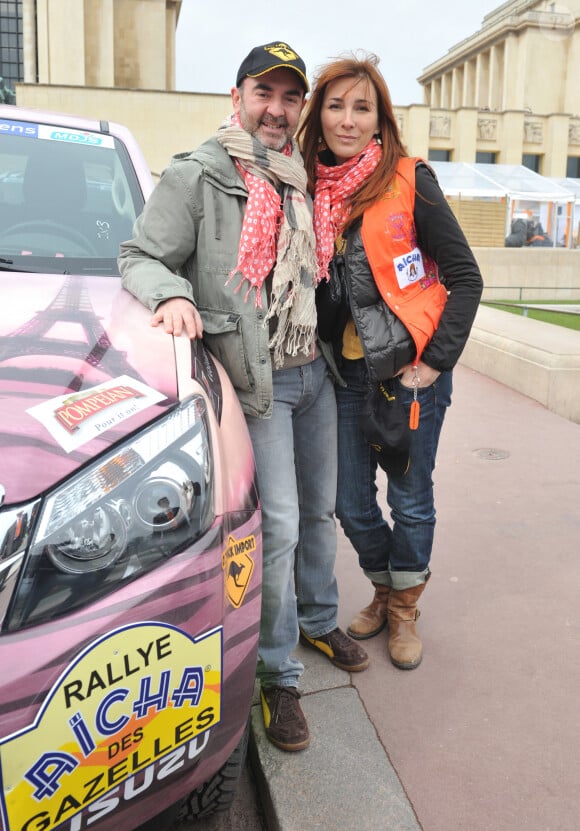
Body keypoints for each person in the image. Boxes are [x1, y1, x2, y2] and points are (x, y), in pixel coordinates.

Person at [118, 41, 368, 752]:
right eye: (266, 93)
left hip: (313, 372)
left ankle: (319, 622)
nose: (278, 109)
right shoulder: (199, 175)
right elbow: (141, 255)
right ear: (238, 96)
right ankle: (276, 672)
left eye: (291, 97)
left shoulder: (301, 178)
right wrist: (169, 295)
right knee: (281, 526)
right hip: (256, 384)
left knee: (321, 514)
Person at [298, 54, 483, 670]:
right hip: (345, 376)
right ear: (316, 114)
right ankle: (384, 587)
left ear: (380, 121)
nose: (347, 120)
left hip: (410, 374)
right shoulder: (305, 188)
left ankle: (403, 608)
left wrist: (432, 365)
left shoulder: (408, 179)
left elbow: (465, 278)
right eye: (335, 105)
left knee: (409, 498)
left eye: (362, 107)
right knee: (350, 502)